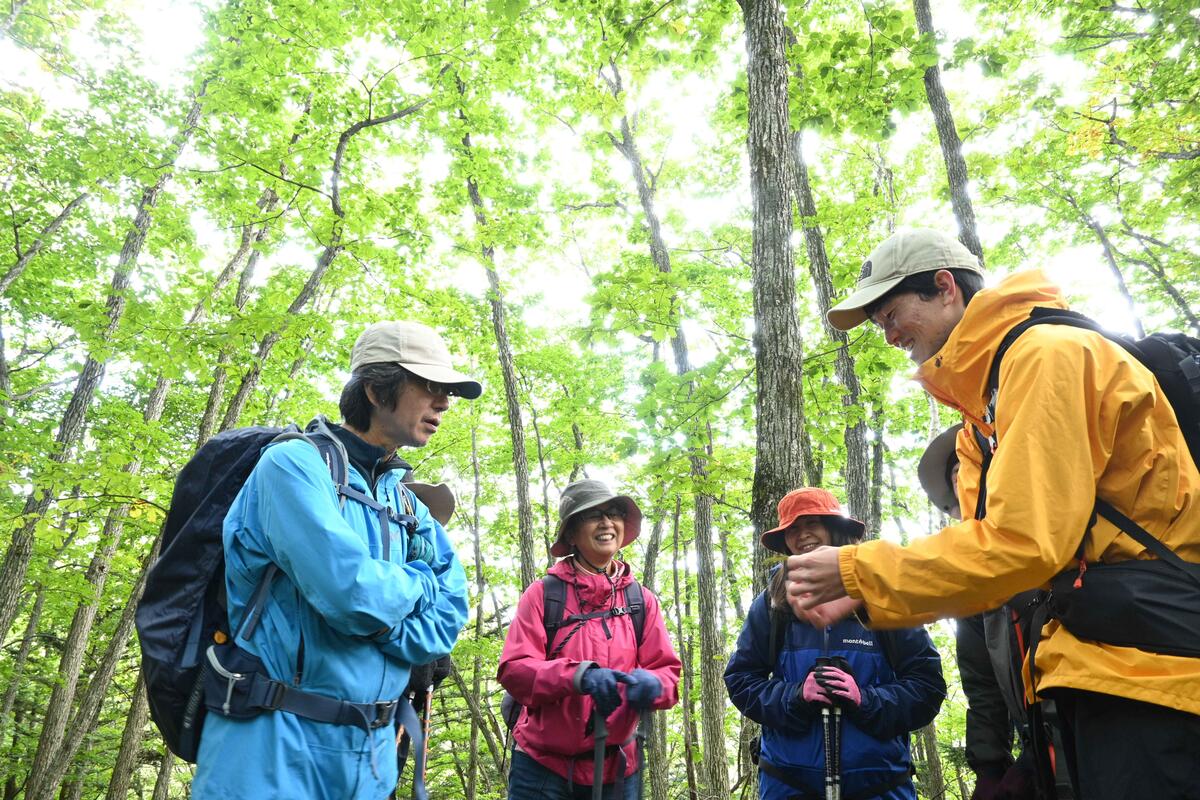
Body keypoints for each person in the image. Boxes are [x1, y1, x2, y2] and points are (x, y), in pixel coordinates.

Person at [788, 228, 1200, 799]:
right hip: (1085, 676)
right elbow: (992, 566)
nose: (887, 334)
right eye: (879, 322)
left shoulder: (1048, 355)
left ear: (944, 286)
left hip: (1156, 677)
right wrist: (866, 595)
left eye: (890, 311)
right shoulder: (980, 417)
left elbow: (1026, 544)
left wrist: (861, 572)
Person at [191, 320, 480, 798]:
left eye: (446, 390)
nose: (444, 402)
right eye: (429, 385)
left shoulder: (406, 501)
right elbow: (351, 593)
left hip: (372, 757)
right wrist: (415, 588)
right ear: (374, 388)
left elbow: (450, 613)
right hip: (272, 743)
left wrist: (390, 616)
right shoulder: (292, 465)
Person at [725, 488, 945, 800]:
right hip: (787, 785)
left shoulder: (881, 594)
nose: (802, 535)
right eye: (793, 529)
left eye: (812, 523)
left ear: (835, 527)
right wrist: (797, 695)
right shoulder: (772, 604)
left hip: (882, 786)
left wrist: (865, 700)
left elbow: (928, 686)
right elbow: (741, 680)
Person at [498, 479, 681, 799]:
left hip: (619, 771)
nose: (607, 522)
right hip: (542, 772)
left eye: (614, 513)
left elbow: (668, 675)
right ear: (571, 533)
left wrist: (654, 685)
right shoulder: (544, 595)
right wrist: (579, 676)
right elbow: (515, 670)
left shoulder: (641, 600)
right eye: (592, 515)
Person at [920, 425, 1050, 800]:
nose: (963, 481)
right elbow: (984, 686)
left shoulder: (1052, 539)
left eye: (969, 470)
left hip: (1101, 731)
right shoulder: (973, 589)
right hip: (1037, 751)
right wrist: (990, 769)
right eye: (955, 476)